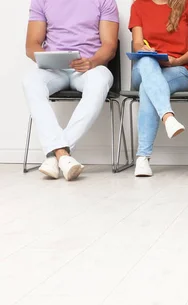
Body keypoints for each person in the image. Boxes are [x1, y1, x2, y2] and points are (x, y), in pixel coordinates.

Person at [23, 0, 119, 181]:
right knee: (30, 81)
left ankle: (55, 155)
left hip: (88, 67)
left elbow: (110, 45)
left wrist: (93, 61)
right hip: (53, 69)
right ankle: (63, 155)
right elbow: (31, 44)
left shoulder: (105, 1)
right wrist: (46, 59)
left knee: (100, 80)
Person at [129, 0, 188, 177]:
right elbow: (137, 44)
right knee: (147, 61)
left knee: (148, 89)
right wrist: (146, 50)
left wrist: (177, 61)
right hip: (144, 68)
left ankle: (143, 158)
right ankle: (167, 116)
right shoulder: (138, 5)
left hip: (178, 70)